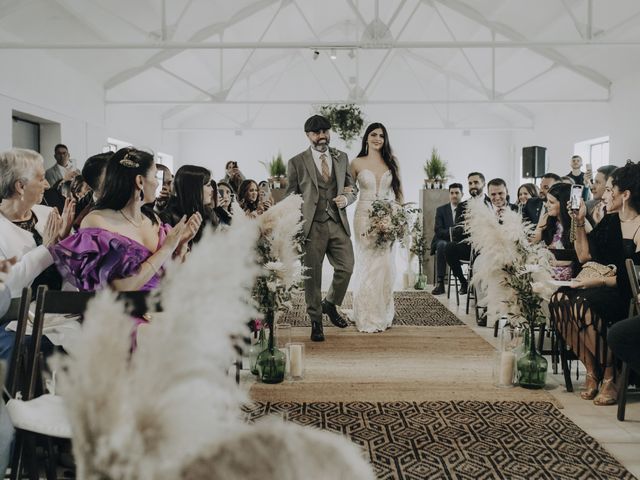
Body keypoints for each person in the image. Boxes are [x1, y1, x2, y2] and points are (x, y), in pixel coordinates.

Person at [50, 147, 201, 345]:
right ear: (140, 181)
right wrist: (166, 249)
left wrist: (181, 246)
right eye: (155, 176)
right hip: (119, 316)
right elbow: (122, 288)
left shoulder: (153, 219)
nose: (158, 183)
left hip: (157, 311)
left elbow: (169, 281)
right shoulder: (97, 222)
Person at [550, 162, 640, 406]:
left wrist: (594, 281)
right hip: (602, 286)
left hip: (626, 294)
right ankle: (592, 371)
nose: (605, 194)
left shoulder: (639, 226)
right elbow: (585, 257)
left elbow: (631, 278)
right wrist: (579, 221)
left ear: (626, 195)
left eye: (610, 189)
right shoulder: (611, 222)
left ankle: (610, 375)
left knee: (582, 304)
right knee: (558, 299)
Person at [286, 115, 358, 341]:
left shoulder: (342, 157)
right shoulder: (297, 162)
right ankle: (316, 320)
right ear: (308, 135)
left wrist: (346, 199)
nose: (322, 136)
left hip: (337, 223)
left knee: (347, 267)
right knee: (312, 277)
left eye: (325, 131)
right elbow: (291, 196)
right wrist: (294, 227)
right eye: (316, 133)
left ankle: (330, 303)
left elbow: (351, 187)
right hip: (311, 227)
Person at [351, 123, 403, 333]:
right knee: (369, 264)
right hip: (363, 216)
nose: (377, 139)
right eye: (373, 134)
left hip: (388, 216)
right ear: (366, 138)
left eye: (381, 136)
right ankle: (367, 314)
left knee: (386, 265)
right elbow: (349, 191)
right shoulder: (355, 163)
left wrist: (399, 218)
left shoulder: (392, 161)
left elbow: (399, 192)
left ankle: (382, 312)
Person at [445, 172, 491, 295]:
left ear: (483, 184)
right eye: (470, 183)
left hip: (488, 246)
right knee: (449, 247)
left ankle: (479, 287)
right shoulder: (462, 206)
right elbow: (456, 234)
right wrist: (465, 226)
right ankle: (464, 282)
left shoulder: (491, 203)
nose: (472, 185)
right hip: (468, 245)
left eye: (476, 182)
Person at [159, 165, 217, 243]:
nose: (212, 189)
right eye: (208, 185)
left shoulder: (207, 212)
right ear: (194, 188)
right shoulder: (167, 217)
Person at [531, 183, 577, 280]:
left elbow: (583, 256)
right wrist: (539, 228)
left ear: (564, 204)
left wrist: (563, 263)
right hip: (546, 268)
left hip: (568, 272)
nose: (547, 205)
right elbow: (532, 243)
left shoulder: (576, 224)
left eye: (551, 202)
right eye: (547, 201)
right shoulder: (549, 221)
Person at [430, 183, 463, 295]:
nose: (454, 195)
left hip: (459, 242)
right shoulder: (441, 210)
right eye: (452, 193)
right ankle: (440, 283)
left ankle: (466, 283)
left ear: (462, 194)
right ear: (449, 195)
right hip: (443, 240)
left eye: (457, 193)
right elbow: (438, 230)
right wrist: (453, 232)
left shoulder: (466, 209)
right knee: (442, 245)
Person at [43, 144, 79, 212]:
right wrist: (64, 179)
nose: (62, 156)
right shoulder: (49, 173)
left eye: (64, 153)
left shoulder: (77, 171)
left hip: (76, 202)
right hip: (59, 205)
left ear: (68, 155)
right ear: (55, 156)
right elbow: (50, 191)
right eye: (59, 153)